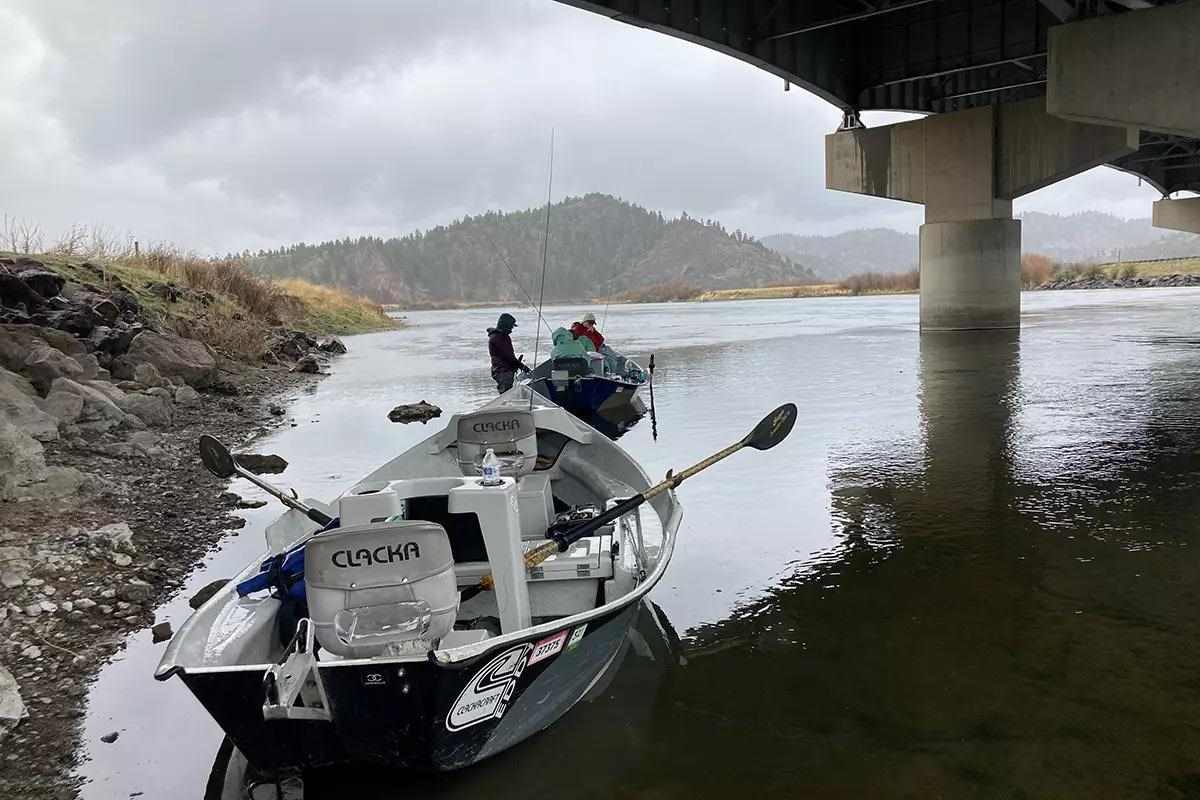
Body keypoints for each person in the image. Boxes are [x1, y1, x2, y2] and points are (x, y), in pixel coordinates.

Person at [487, 312, 530, 394]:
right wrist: (521, 366)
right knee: (506, 395)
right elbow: (508, 356)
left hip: (505, 371)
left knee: (507, 393)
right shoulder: (498, 337)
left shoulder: (502, 336)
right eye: (511, 326)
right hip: (502, 371)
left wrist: (517, 365)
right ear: (505, 325)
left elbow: (508, 356)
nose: (511, 329)